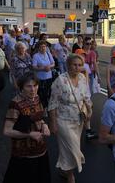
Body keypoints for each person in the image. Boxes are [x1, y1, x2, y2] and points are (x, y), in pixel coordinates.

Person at [48, 54, 92, 183]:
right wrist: (53, 123)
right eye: (74, 64)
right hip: (63, 120)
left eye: (79, 65)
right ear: (68, 65)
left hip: (78, 120)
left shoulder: (83, 78)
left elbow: (86, 97)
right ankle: (70, 176)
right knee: (73, 148)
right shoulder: (60, 81)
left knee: (67, 149)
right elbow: (52, 103)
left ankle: (64, 170)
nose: (77, 67)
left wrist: (89, 111)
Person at [3, 72, 51, 183]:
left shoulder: (37, 98)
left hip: (40, 151)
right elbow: (7, 131)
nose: (33, 89)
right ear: (22, 87)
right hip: (23, 156)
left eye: (35, 85)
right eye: (28, 86)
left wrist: (45, 125)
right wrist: (29, 134)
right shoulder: (15, 104)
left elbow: (39, 118)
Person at [32, 40, 55, 108]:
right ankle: (42, 107)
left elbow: (53, 63)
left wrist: (49, 67)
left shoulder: (48, 53)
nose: (43, 48)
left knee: (48, 93)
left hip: (49, 77)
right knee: (41, 94)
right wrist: (42, 69)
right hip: (40, 78)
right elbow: (34, 67)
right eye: (41, 47)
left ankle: (47, 106)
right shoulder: (36, 56)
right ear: (38, 48)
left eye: (44, 46)